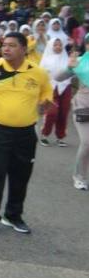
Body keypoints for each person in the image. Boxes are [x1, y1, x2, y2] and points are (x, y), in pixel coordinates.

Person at [0, 32, 53, 235]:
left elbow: (46, 91)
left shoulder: (38, 73)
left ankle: (13, 215)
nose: (6, 49)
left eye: (11, 45)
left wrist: (46, 102)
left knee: (21, 175)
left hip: (26, 133)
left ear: (24, 49)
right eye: (4, 45)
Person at [58, 49, 89, 190]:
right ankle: (79, 176)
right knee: (87, 142)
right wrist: (69, 67)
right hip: (83, 106)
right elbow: (58, 77)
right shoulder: (80, 61)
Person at [39, 38, 73, 147]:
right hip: (50, 89)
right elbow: (40, 75)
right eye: (55, 45)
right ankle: (45, 134)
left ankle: (61, 137)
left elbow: (71, 72)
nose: (58, 47)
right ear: (50, 46)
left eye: (60, 45)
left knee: (63, 113)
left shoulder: (66, 58)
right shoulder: (45, 59)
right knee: (52, 113)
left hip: (65, 88)